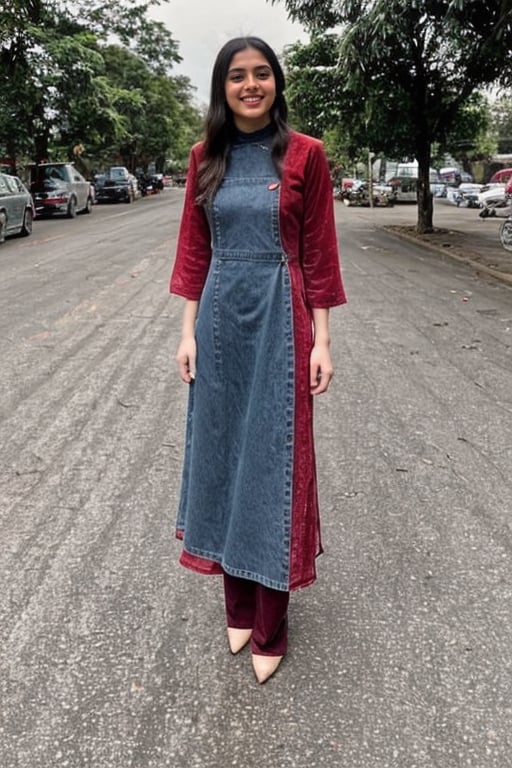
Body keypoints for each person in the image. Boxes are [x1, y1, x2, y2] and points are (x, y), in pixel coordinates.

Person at [169, 36, 346, 684]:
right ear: (222, 87)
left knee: (274, 463)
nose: (250, 85)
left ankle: (271, 618)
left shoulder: (307, 156)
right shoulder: (203, 158)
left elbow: (320, 255)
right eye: (237, 76)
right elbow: (194, 251)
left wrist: (321, 341)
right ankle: (236, 600)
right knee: (220, 459)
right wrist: (187, 333)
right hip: (218, 322)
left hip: (282, 316)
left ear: (276, 82)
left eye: (261, 74)